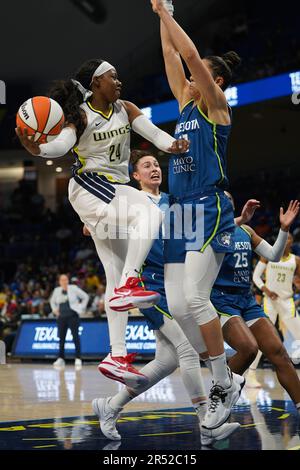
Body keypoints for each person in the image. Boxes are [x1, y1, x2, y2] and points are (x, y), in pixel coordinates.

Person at [16, 58, 189, 385]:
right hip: (91, 186)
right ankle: (131, 283)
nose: (118, 81)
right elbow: (61, 145)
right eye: (113, 77)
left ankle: (117, 354)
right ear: (96, 84)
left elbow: (152, 133)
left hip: (111, 191)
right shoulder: (81, 115)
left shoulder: (126, 108)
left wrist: (173, 145)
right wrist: (37, 148)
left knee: (113, 269)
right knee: (150, 212)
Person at [91, 151, 240, 445]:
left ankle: (110, 406)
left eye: (157, 165)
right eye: (146, 166)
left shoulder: (172, 201)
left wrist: (232, 218)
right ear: (135, 175)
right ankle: (206, 424)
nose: (154, 169)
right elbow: (95, 224)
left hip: (172, 278)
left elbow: (194, 232)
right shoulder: (129, 201)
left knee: (167, 359)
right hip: (146, 283)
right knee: (186, 349)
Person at [151, 0, 242, 430]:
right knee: (182, 305)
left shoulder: (213, 105)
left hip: (208, 205)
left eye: (198, 75)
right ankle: (222, 378)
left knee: (195, 299)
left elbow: (187, 56)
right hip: (182, 208)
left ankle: (223, 382)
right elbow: (172, 56)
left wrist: (170, 13)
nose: (188, 79)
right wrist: (159, 15)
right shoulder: (185, 107)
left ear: (214, 80)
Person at [210, 194, 300, 415]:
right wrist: (238, 220)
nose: (227, 199)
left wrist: (284, 229)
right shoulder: (209, 231)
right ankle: (216, 397)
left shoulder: (247, 231)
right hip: (221, 300)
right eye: (222, 197)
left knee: (278, 352)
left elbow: (274, 255)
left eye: (230, 197)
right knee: (249, 349)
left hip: (246, 300)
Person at [249, 232, 300, 385]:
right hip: (269, 302)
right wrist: (266, 290)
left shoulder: (296, 260)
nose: (287, 240)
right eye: (285, 237)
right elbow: (256, 277)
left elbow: (298, 280)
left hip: (286, 302)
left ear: (292, 242)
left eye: (290, 238)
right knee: (261, 339)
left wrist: (297, 287)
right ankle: (251, 374)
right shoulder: (268, 256)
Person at [50, 274, 89, 370]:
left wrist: (81, 307)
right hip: (61, 317)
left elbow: (85, 297)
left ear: (68, 280)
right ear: (59, 281)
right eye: (62, 280)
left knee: (75, 337)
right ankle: (61, 358)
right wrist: (54, 310)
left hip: (73, 316)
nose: (64, 281)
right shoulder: (56, 290)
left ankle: (78, 358)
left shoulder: (74, 288)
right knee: (61, 339)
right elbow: (52, 301)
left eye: (65, 279)